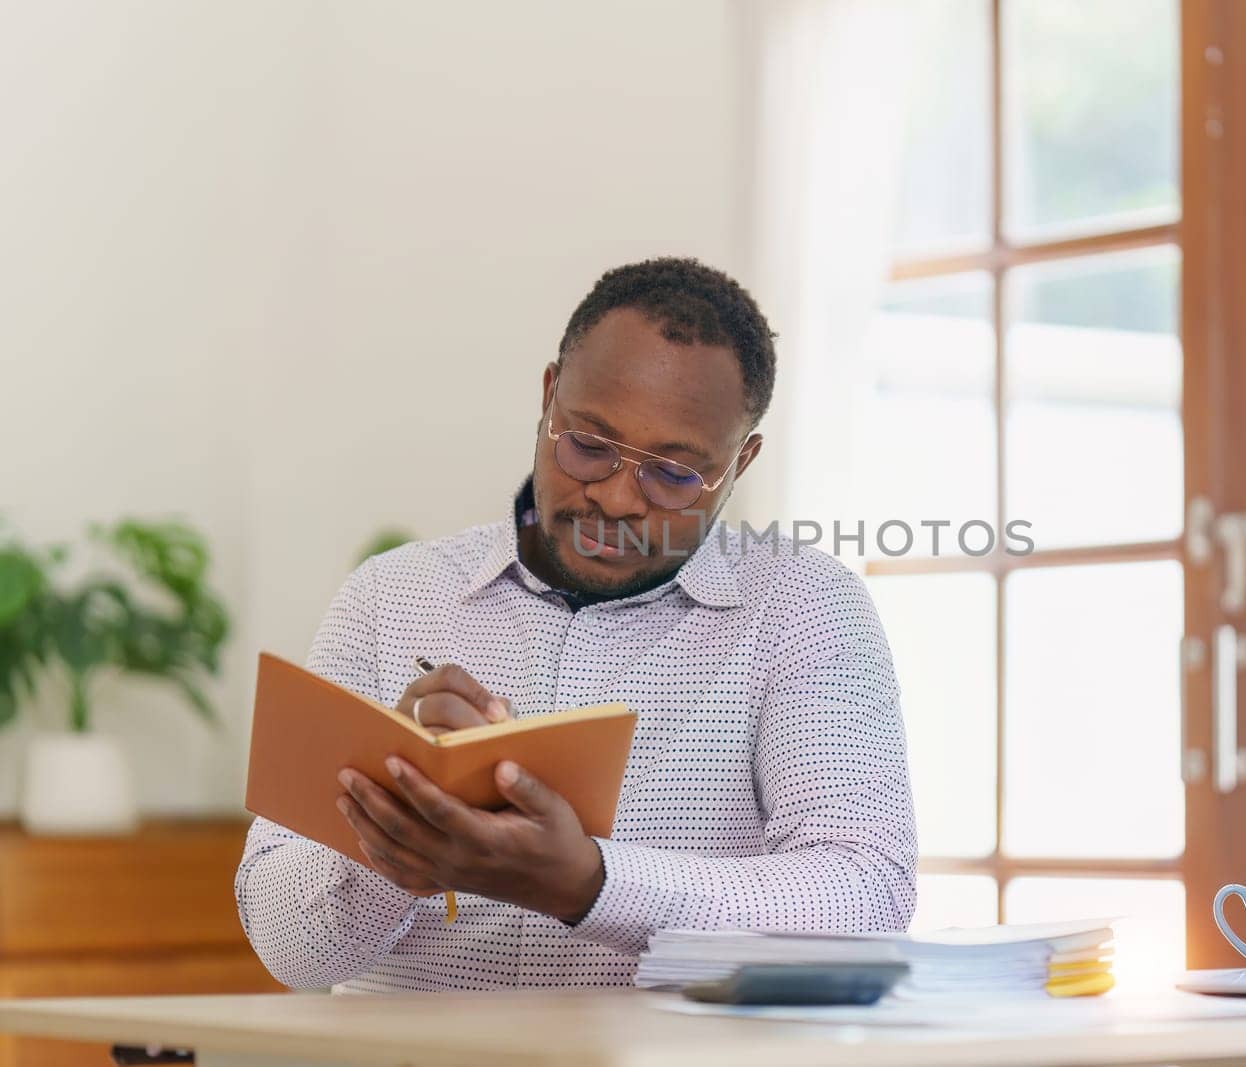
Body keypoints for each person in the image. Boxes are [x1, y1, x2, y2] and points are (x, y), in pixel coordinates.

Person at [234, 257, 917, 992]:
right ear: (550, 394)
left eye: (675, 473)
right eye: (589, 445)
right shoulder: (387, 598)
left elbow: (864, 894)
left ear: (740, 461)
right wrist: (394, 830)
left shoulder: (804, 609)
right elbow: (289, 953)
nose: (620, 499)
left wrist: (589, 882)